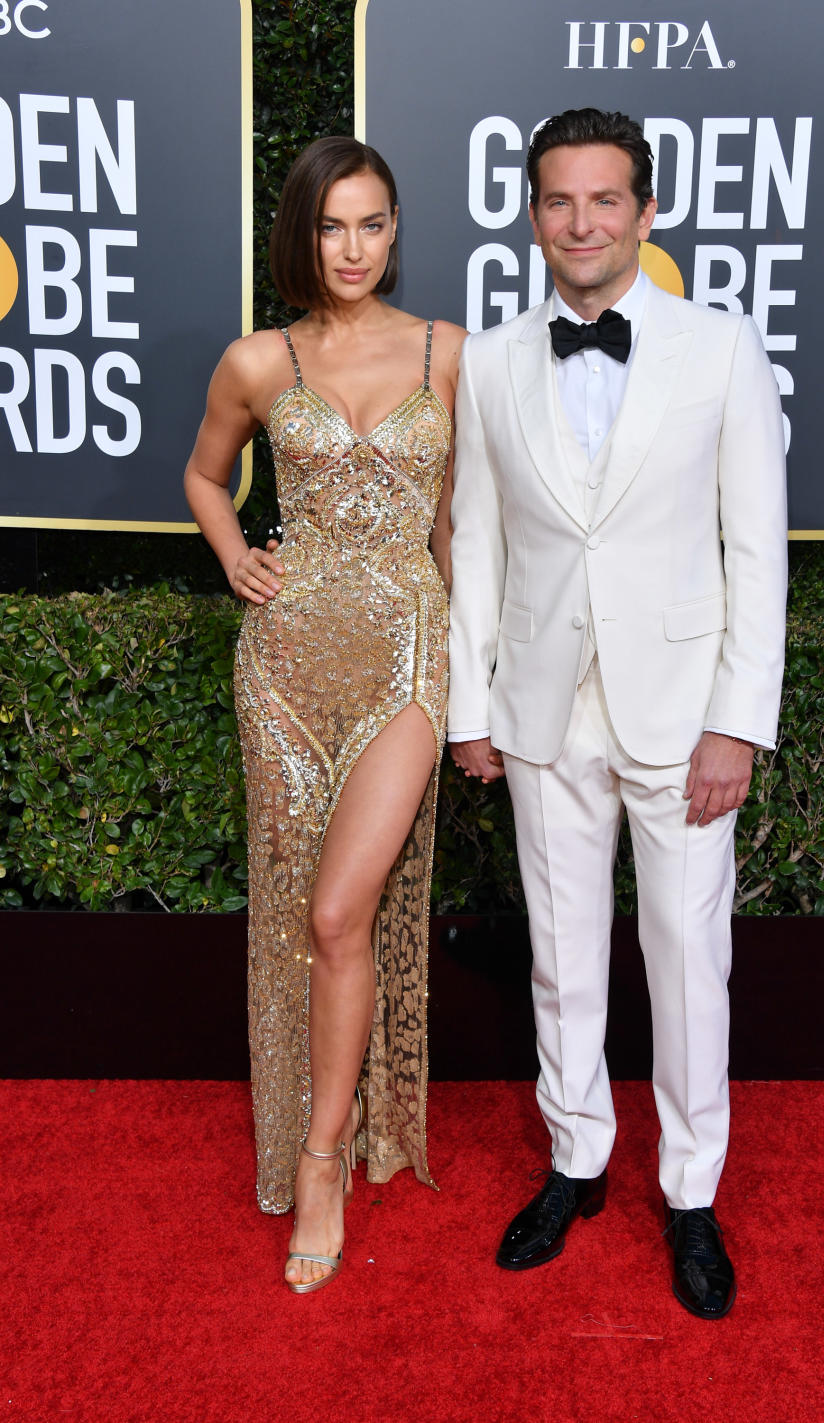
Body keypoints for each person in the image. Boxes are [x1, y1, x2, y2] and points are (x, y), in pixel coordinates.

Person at [448, 108, 787, 1319]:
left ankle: (690, 1191)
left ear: (646, 214)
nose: (580, 222)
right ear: (532, 215)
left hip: (683, 713)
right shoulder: (488, 360)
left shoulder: (722, 349)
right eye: (557, 199)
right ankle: (575, 1159)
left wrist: (738, 722)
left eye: (605, 200)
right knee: (560, 959)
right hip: (542, 710)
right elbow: (477, 545)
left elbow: (758, 550)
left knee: (690, 960)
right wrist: (466, 706)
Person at [185, 137, 463, 1293]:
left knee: (343, 906)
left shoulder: (450, 353)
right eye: (334, 226)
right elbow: (204, 475)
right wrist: (237, 551)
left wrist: (476, 682)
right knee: (301, 911)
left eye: (375, 223)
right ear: (301, 233)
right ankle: (324, 1155)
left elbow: (459, 525)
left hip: (407, 650)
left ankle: (323, 1157)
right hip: (286, 664)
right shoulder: (257, 360)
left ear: (398, 228)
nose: (355, 249)